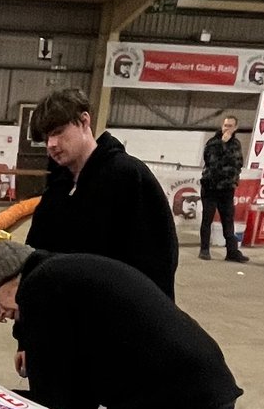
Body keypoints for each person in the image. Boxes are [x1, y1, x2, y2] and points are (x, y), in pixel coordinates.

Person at [0, 241, 240, 409]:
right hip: (208, 392)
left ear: (7, 278)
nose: (1, 316)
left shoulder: (39, 289)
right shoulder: (64, 271)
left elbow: (57, 407)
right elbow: (79, 397)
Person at [25, 91, 179, 298]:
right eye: (46, 138)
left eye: (59, 132)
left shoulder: (128, 175)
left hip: (116, 313)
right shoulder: (57, 188)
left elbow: (158, 260)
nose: (51, 144)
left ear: (84, 121)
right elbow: (37, 250)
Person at [199, 113, 248, 263]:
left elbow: (238, 163)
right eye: (225, 125)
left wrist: (234, 179)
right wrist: (223, 144)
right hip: (211, 187)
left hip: (227, 189)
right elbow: (211, 162)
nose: (227, 128)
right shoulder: (213, 142)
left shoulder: (237, 144)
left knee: (228, 221)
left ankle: (232, 252)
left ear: (235, 128)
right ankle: (204, 249)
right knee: (207, 219)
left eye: (230, 126)